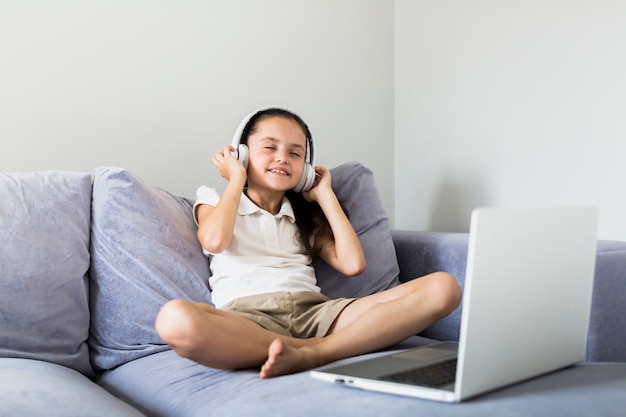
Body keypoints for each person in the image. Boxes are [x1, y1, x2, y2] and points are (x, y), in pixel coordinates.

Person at [155, 107, 462, 379]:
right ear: (242, 153)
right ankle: (317, 349)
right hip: (248, 320)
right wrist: (236, 179)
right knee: (174, 320)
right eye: (269, 147)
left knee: (444, 288)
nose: (282, 158)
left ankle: (316, 353)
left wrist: (324, 194)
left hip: (316, 314)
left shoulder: (304, 218)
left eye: (295, 153)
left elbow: (354, 264)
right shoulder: (215, 200)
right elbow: (215, 240)